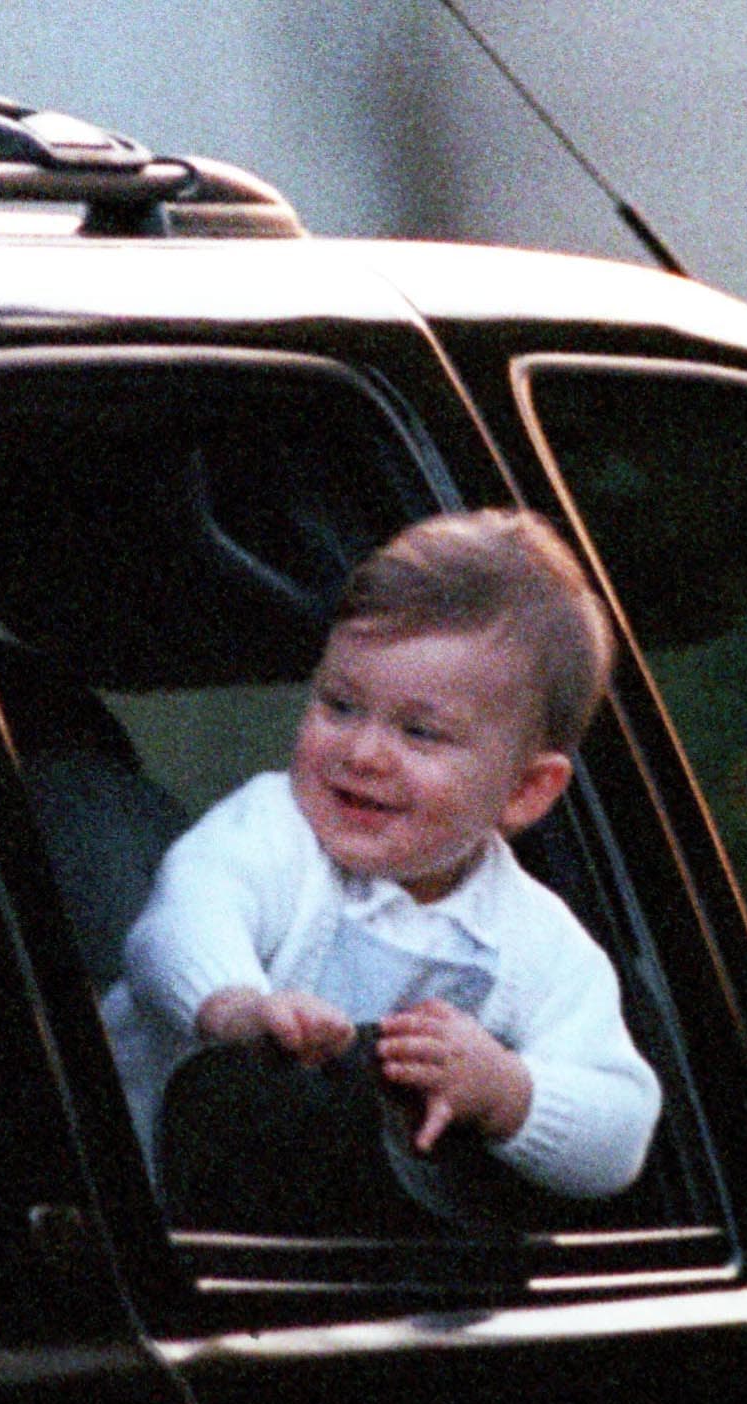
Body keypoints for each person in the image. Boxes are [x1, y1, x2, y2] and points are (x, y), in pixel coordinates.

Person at [102, 508, 661, 1233]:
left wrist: (506, 1093)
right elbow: (179, 924)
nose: (362, 753)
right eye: (339, 705)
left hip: (332, 1262)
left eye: (419, 732)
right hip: (130, 1218)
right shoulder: (271, 829)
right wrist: (235, 1007)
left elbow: (620, 1132)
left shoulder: (534, 940)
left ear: (526, 791)